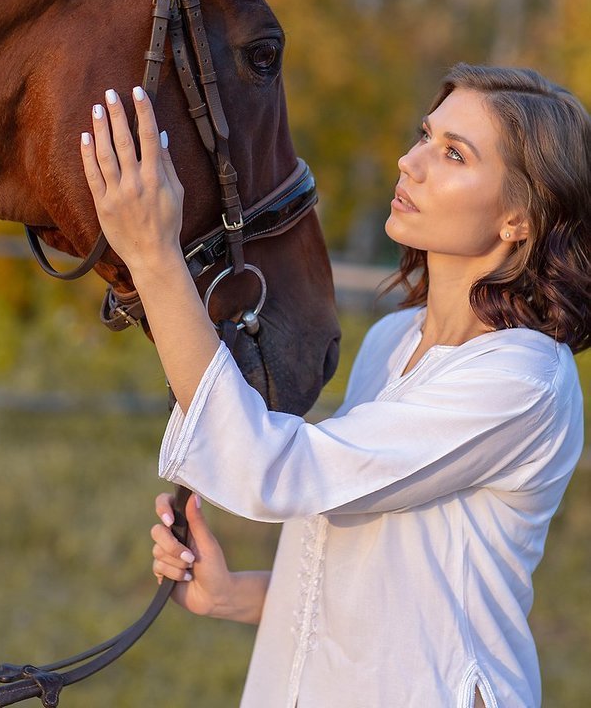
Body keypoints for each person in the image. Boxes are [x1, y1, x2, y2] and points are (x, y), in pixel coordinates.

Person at [80, 63, 590, 708]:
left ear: (519, 218)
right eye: (425, 137)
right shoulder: (393, 340)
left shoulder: (519, 381)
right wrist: (236, 593)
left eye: (454, 154)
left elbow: (279, 470)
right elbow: (382, 567)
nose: (411, 162)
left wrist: (155, 257)